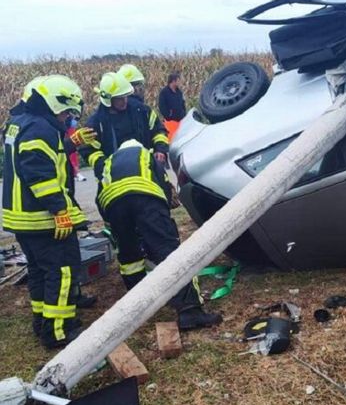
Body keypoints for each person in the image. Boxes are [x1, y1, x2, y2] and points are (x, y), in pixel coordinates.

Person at [97, 139, 222, 330]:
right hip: (146, 199)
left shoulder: (109, 162)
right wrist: (161, 220)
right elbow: (163, 186)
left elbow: (100, 197)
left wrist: (115, 223)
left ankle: (137, 307)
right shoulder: (145, 154)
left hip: (114, 205)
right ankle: (190, 311)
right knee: (168, 251)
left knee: (129, 257)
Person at [2, 75, 88, 348]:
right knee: (61, 272)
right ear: (53, 104)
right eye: (65, 112)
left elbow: (46, 155)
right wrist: (59, 209)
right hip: (41, 218)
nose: (67, 118)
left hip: (23, 219)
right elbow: (39, 172)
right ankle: (57, 331)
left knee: (39, 271)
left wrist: (71, 143)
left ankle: (41, 322)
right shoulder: (40, 128)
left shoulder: (21, 122)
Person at [81, 72, 169, 186]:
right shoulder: (96, 123)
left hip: (146, 172)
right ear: (108, 99)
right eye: (119, 98)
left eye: (125, 96)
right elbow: (89, 150)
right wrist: (105, 165)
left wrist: (160, 149)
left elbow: (159, 130)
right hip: (113, 180)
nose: (125, 101)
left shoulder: (141, 111)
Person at [158, 72, 186, 141]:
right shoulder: (164, 92)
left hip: (180, 122)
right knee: (171, 140)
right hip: (170, 122)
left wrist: (184, 113)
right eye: (178, 80)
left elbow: (182, 104)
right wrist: (168, 116)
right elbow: (162, 106)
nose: (180, 82)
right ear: (173, 81)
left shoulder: (179, 92)